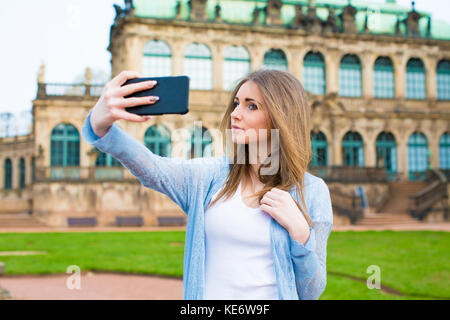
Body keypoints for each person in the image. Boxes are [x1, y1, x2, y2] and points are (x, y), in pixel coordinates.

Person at [82, 69, 333, 300]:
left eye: (251, 106)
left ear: (282, 117)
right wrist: (100, 126)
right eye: (236, 103)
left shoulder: (311, 191)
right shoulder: (209, 176)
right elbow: (153, 170)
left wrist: (301, 233)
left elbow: (310, 291)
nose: (235, 113)